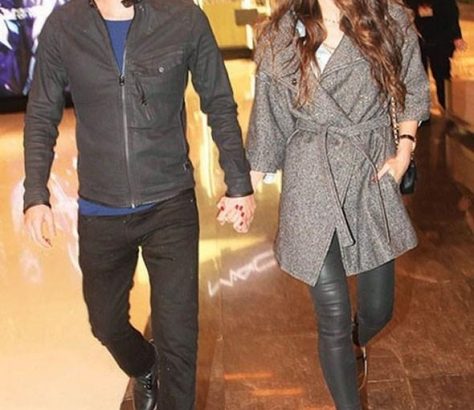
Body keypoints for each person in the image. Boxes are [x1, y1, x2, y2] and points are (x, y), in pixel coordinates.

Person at [22, 0, 255, 409]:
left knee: (179, 337)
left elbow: (219, 101)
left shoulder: (183, 18)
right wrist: (35, 195)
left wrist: (238, 183)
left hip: (170, 204)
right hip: (101, 208)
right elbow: (42, 113)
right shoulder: (65, 25)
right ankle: (145, 366)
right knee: (105, 323)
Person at [244, 0, 430, 408]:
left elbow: (413, 86)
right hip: (310, 176)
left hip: (369, 172)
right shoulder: (282, 33)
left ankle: (352, 346)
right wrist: (244, 190)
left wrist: (404, 150)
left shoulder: (389, 17)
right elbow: (269, 121)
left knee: (378, 310)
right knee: (332, 315)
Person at [407, 0, 468, 109]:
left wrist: (456, 36)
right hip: (418, 40)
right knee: (419, 77)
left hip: (440, 40)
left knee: (442, 75)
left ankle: (446, 106)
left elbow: (451, 13)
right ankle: (422, 109)